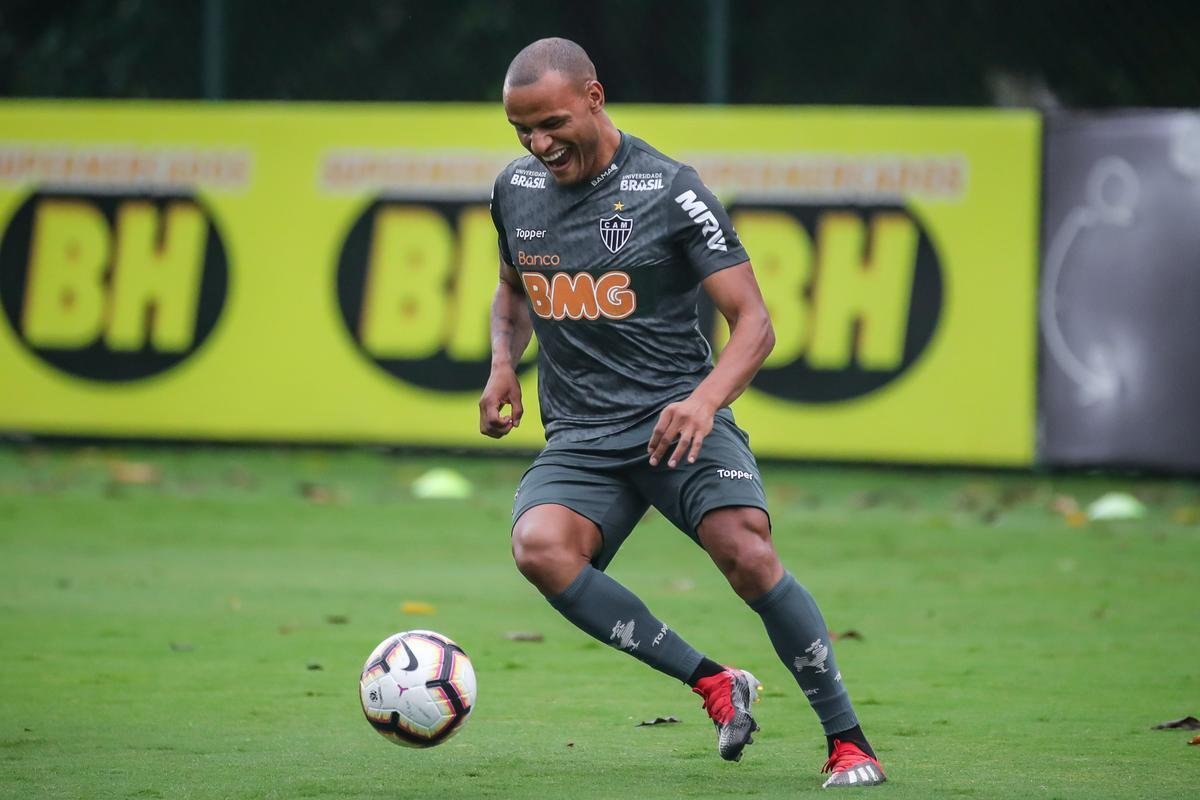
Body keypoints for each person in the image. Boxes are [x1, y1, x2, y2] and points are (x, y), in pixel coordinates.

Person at [479, 37, 885, 789]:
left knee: (749, 553)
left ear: (595, 99)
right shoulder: (514, 189)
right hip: (583, 436)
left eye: (552, 124)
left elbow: (755, 322)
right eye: (521, 131)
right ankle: (713, 682)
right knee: (539, 547)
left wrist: (703, 402)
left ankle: (848, 742)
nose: (538, 145)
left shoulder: (670, 190)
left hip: (677, 420)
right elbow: (512, 288)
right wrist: (504, 365)